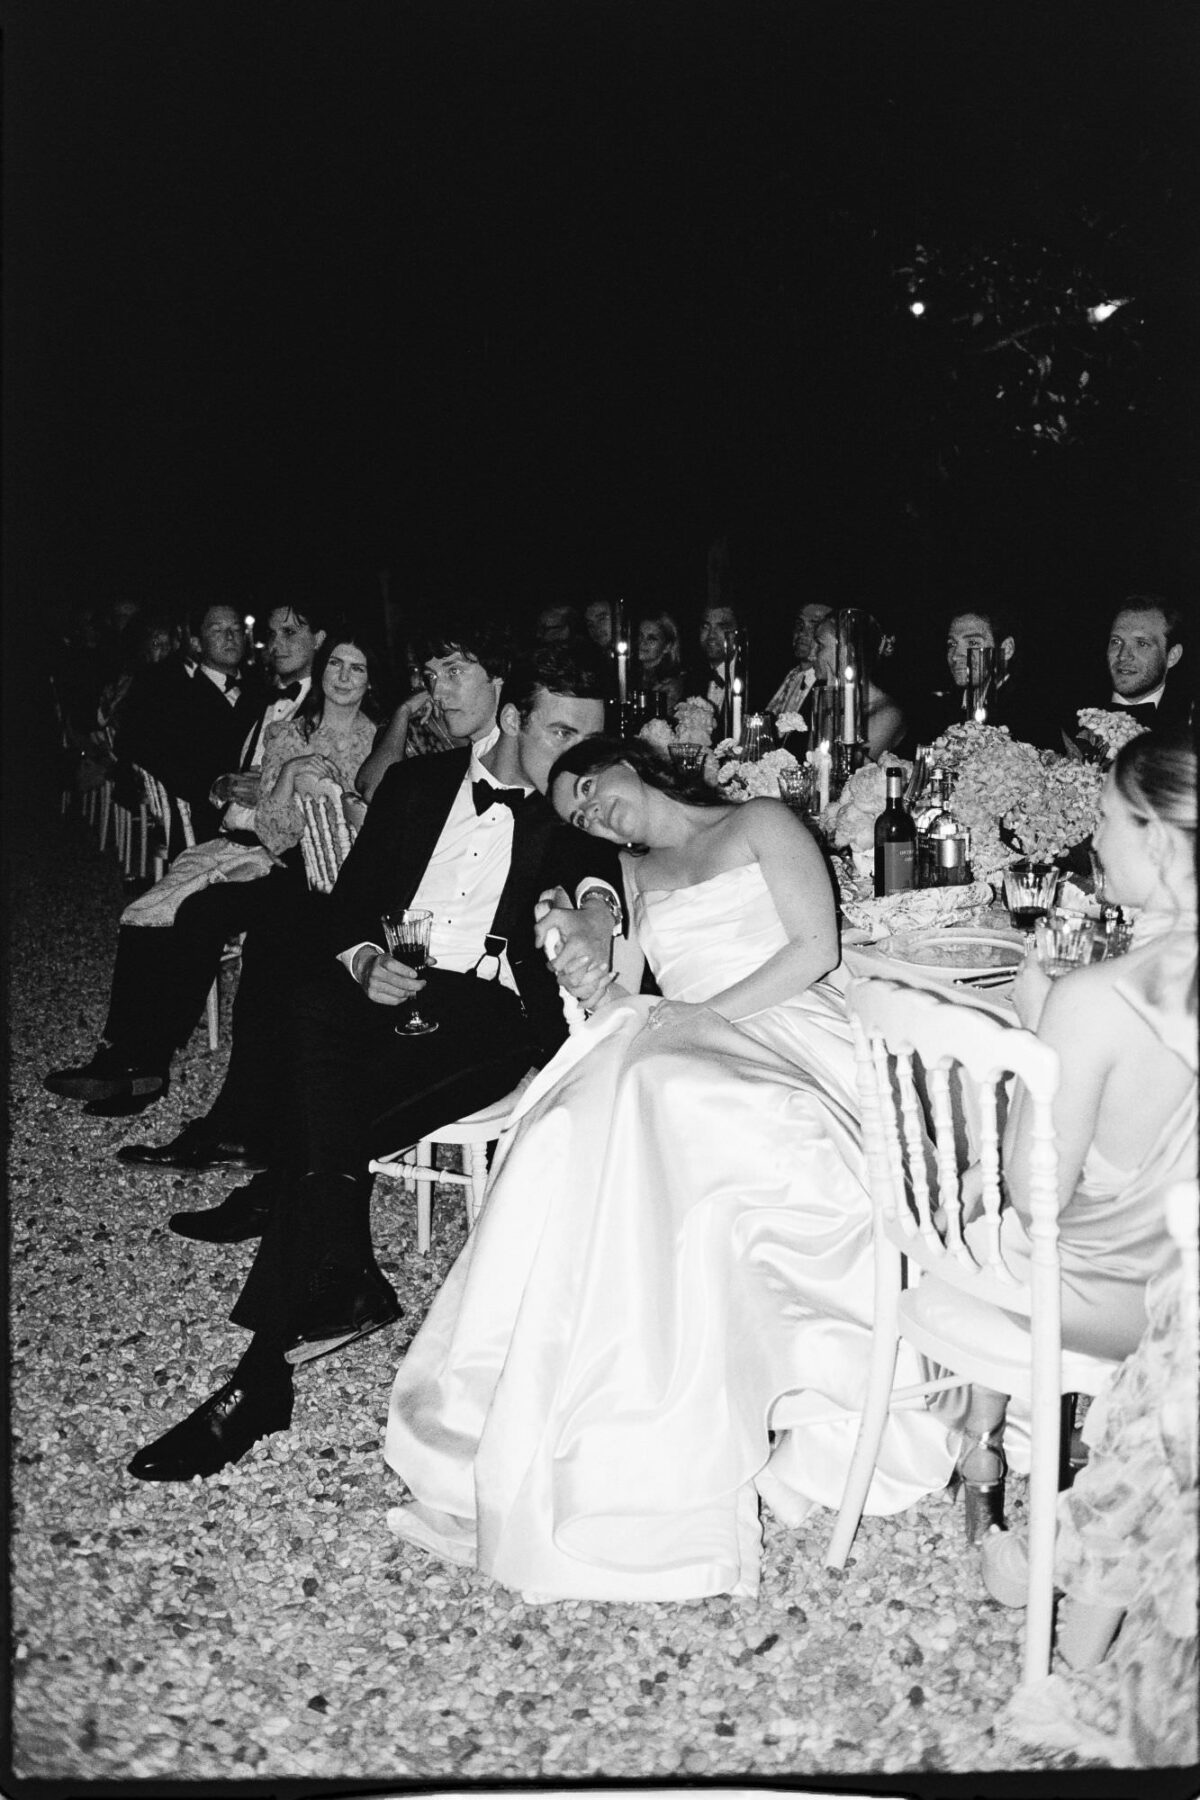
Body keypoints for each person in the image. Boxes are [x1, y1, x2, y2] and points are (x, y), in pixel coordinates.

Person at [381, 735, 957, 1602]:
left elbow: (815, 949)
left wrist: (693, 1019)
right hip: (687, 1040)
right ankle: (595, 1387)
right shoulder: (630, 873)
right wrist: (587, 954)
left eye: (589, 786)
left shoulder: (760, 821)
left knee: (672, 1088)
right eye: (577, 813)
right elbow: (616, 968)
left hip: (785, 1020)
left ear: (629, 761)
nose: (590, 810)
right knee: (582, 1114)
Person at [126, 645, 623, 1484]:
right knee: (313, 1008)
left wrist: (597, 917)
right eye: (560, 733)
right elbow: (349, 905)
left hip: (490, 1013)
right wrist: (362, 959)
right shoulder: (417, 785)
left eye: (591, 739)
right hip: (391, 985)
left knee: (322, 1115)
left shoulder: (575, 810)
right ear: (512, 720)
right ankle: (340, 1273)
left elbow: (602, 879)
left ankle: (262, 1374)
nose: (580, 757)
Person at [119, 616, 512, 1175]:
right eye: (432, 677)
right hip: (326, 881)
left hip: (393, 905)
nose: (440, 691)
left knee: (279, 939)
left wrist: (397, 725)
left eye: (452, 674)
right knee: (261, 936)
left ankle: (243, 1126)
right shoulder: (338, 731)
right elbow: (293, 827)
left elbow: (380, 802)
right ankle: (222, 1113)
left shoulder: (450, 740)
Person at [956, 725, 1197, 1536]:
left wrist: (1040, 1042)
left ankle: (982, 1454)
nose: (1093, 840)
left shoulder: (1092, 999)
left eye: (1105, 819)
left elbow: (1036, 1197)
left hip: (1124, 1303)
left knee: (980, 1209)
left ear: (1156, 838)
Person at [43, 604, 332, 1117]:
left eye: (291, 632)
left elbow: (329, 796)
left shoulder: (329, 706)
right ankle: (122, 1055)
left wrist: (268, 789)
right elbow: (215, 761)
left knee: (195, 913)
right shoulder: (264, 699)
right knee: (145, 912)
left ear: (321, 640)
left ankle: (147, 1063)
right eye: (272, 633)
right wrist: (224, 786)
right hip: (233, 837)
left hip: (285, 860)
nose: (276, 643)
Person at [912, 605, 1057, 751]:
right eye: (952, 644)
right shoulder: (937, 711)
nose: (955, 656)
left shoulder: (1033, 712)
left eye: (973, 643)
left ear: (1006, 649)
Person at [1085, 596, 1191, 733]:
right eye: (1116, 641)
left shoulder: (1189, 724)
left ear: (1172, 656)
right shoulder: (1068, 713)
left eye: (1142, 644)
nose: (1123, 655)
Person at [809, 613, 906, 760]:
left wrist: (829, 707)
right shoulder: (823, 699)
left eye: (820, 645)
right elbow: (810, 761)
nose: (811, 655)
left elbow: (842, 767)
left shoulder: (888, 714)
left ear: (848, 652)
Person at [766, 601, 835, 718]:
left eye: (814, 625)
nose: (802, 632)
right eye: (799, 624)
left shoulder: (831, 684)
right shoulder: (775, 672)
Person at [635, 611, 685, 715]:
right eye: (640, 635)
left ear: (667, 646)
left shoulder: (670, 685)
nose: (642, 642)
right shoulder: (629, 673)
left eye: (651, 639)